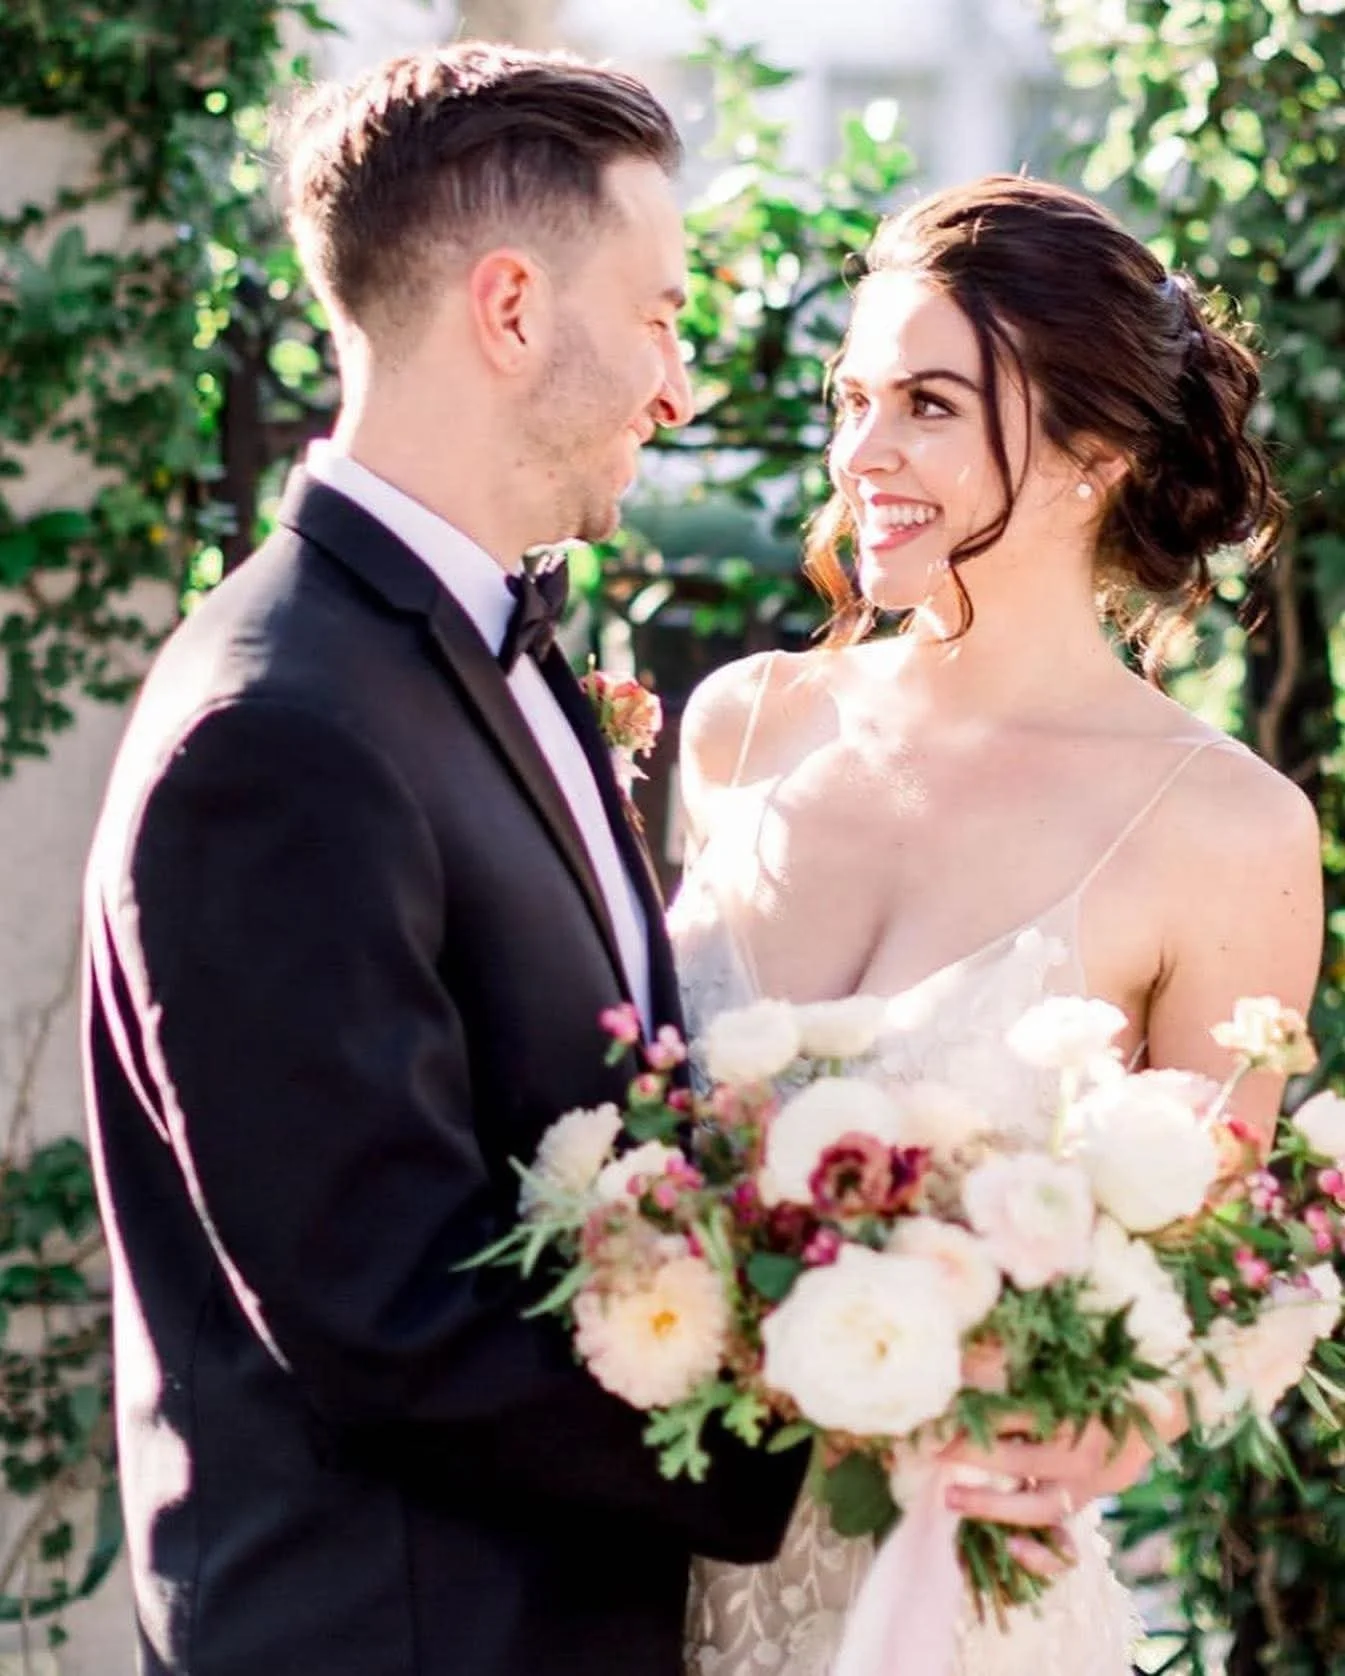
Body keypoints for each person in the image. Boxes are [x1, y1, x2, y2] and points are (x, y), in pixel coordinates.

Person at [82, 43, 804, 1676]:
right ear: (509, 308)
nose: (676, 384)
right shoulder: (275, 732)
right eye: (663, 316)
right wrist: (814, 1402)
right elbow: (386, 1313)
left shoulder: (477, 653)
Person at [672, 176, 1324, 1676]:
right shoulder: (741, 730)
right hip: (641, 1587)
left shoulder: (1224, 832)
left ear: (1096, 453)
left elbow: (1220, 1281)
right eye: (853, 399)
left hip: (962, 1603)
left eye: (929, 406)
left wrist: (1118, 1419)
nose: (864, 456)